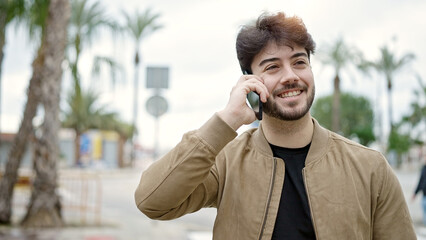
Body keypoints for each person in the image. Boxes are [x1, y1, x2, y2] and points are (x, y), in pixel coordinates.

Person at [135, 11, 416, 239]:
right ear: (248, 81)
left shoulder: (370, 167)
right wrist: (226, 121)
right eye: (272, 67)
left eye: (299, 62)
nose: (290, 76)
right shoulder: (226, 162)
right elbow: (152, 201)